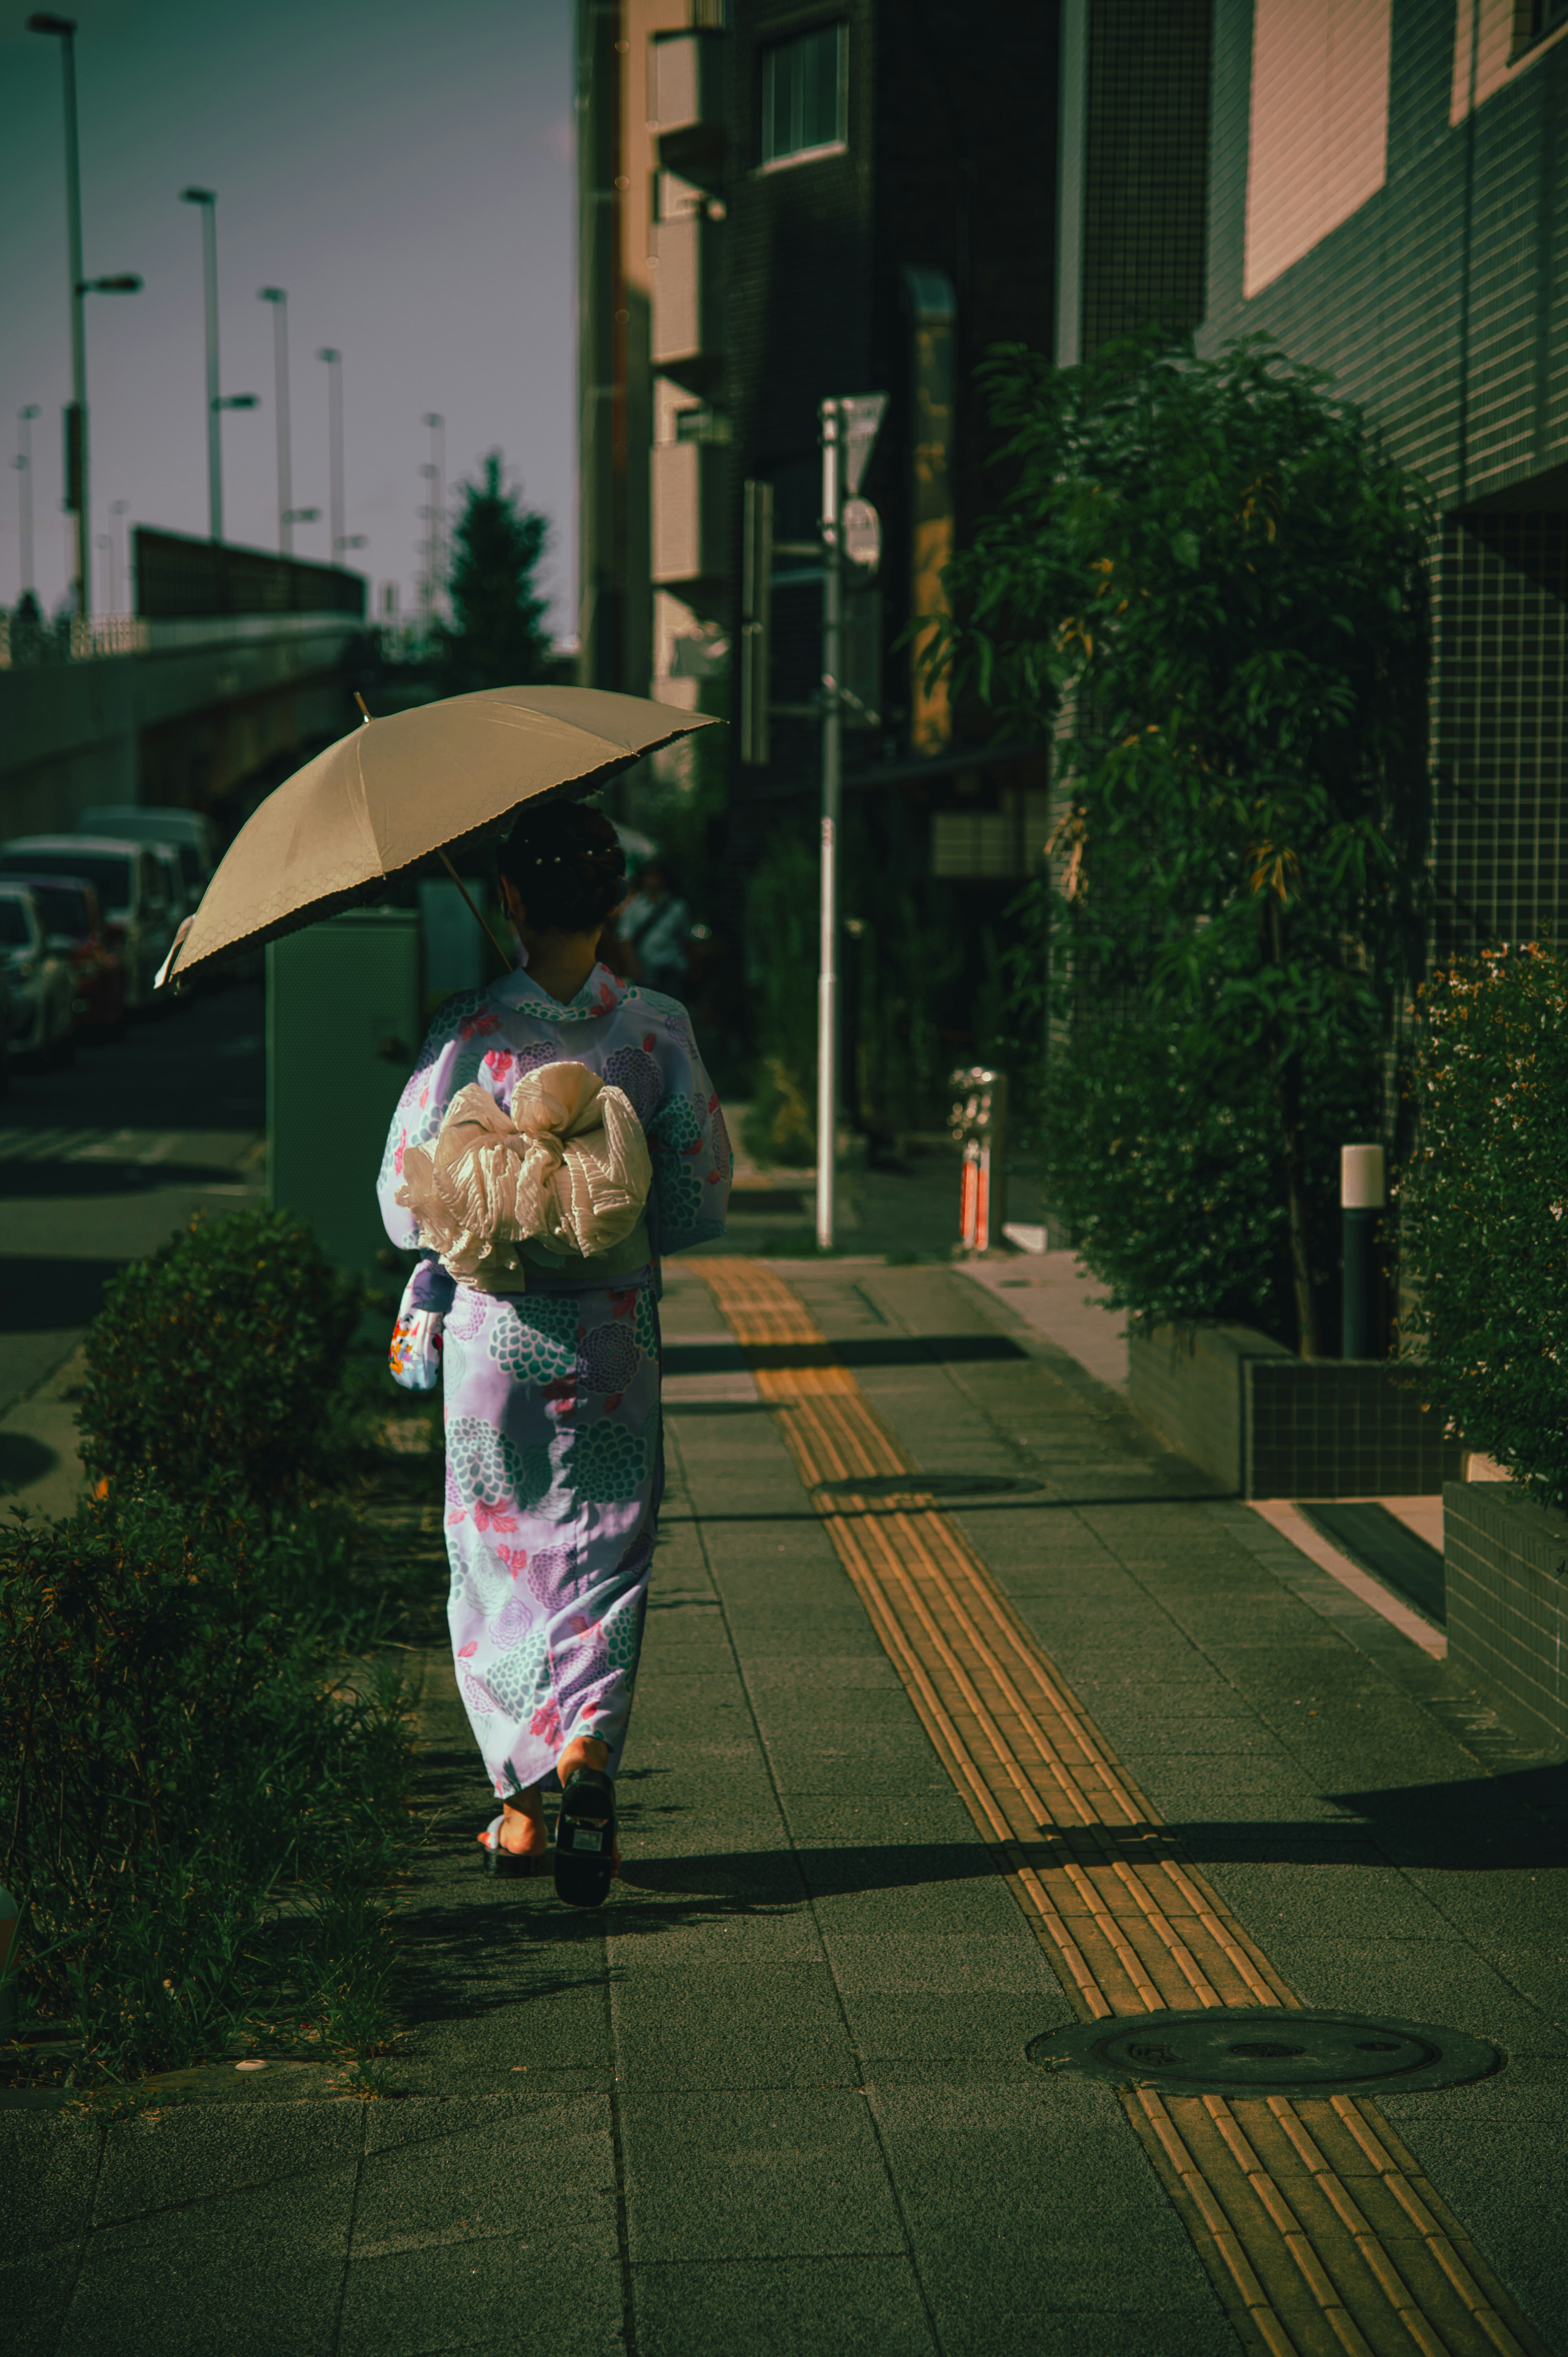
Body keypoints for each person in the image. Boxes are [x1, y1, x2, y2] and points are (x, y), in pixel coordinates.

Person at [377, 801, 731, 1904]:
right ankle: (587, 1748)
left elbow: (401, 1206)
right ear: (618, 898)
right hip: (614, 1327)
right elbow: (697, 1200)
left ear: (513, 899)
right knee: (607, 1553)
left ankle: (520, 1802)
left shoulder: (463, 1034)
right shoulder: (657, 1027)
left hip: (498, 1335)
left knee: (496, 1561)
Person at [619, 859, 692, 999]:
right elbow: (625, 939)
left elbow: (686, 939)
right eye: (648, 876)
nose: (652, 880)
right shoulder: (635, 907)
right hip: (645, 972)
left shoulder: (677, 907)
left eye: (656, 876)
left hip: (671, 970)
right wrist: (633, 965)